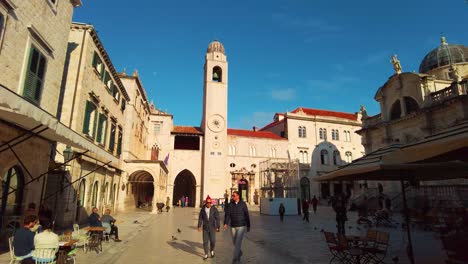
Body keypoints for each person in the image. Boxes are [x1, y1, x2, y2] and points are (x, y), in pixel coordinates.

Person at [224, 191, 250, 264]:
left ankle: (235, 259)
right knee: (235, 242)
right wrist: (225, 223)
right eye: (232, 195)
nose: (233, 197)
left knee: (238, 243)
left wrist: (248, 225)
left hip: (241, 226)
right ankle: (239, 252)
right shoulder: (230, 204)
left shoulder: (243, 204)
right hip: (233, 226)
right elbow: (228, 214)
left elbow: (246, 215)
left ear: (238, 196)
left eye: (234, 195)